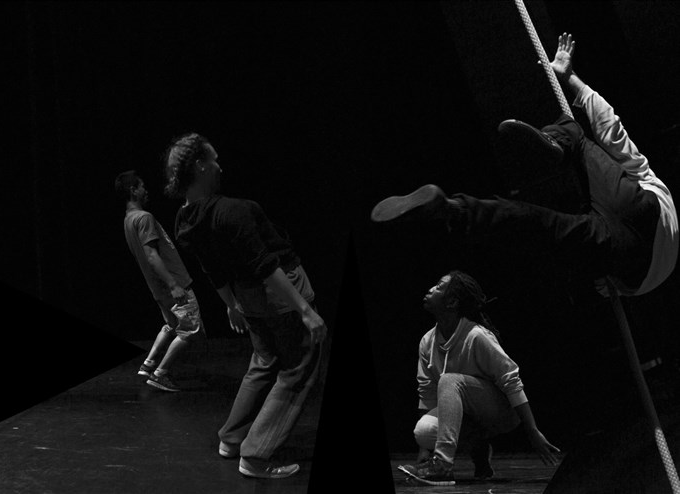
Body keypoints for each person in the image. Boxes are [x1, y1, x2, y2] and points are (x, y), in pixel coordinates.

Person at [371, 33, 678, 298]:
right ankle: (452, 210)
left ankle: (559, 142)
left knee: (573, 140)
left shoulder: (645, 177)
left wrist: (570, 77)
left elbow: (611, 128)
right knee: (542, 226)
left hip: (638, 219)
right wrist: (616, 284)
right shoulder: (643, 203)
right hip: (631, 262)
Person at [163, 133, 327, 479]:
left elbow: (213, 269)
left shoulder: (185, 219)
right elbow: (265, 265)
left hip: (247, 299)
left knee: (263, 362)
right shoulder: (234, 210)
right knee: (297, 371)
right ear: (200, 165)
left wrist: (232, 305)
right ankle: (255, 455)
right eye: (214, 159)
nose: (220, 166)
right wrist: (306, 310)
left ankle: (232, 438)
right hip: (280, 296)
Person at [397, 271, 560, 486]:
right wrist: (423, 454)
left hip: (500, 412)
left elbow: (511, 381)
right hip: (467, 415)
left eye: (438, 287)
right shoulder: (427, 341)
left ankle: (443, 465)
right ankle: (478, 447)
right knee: (423, 430)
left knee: (448, 380)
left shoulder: (476, 335)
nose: (430, 289)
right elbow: (427, 393)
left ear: (452, 302)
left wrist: (532, 431)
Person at [114, 170, 206, 392]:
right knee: (191, 330)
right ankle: (160, 373)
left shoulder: (129, 219)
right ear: (133, 190)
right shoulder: (143, 218)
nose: (146, 190)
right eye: (142, 186)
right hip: (172, 283)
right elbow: (151, 255)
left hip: (158, 287)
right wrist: (174, 285)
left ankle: (148, 364)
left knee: (172, 325)